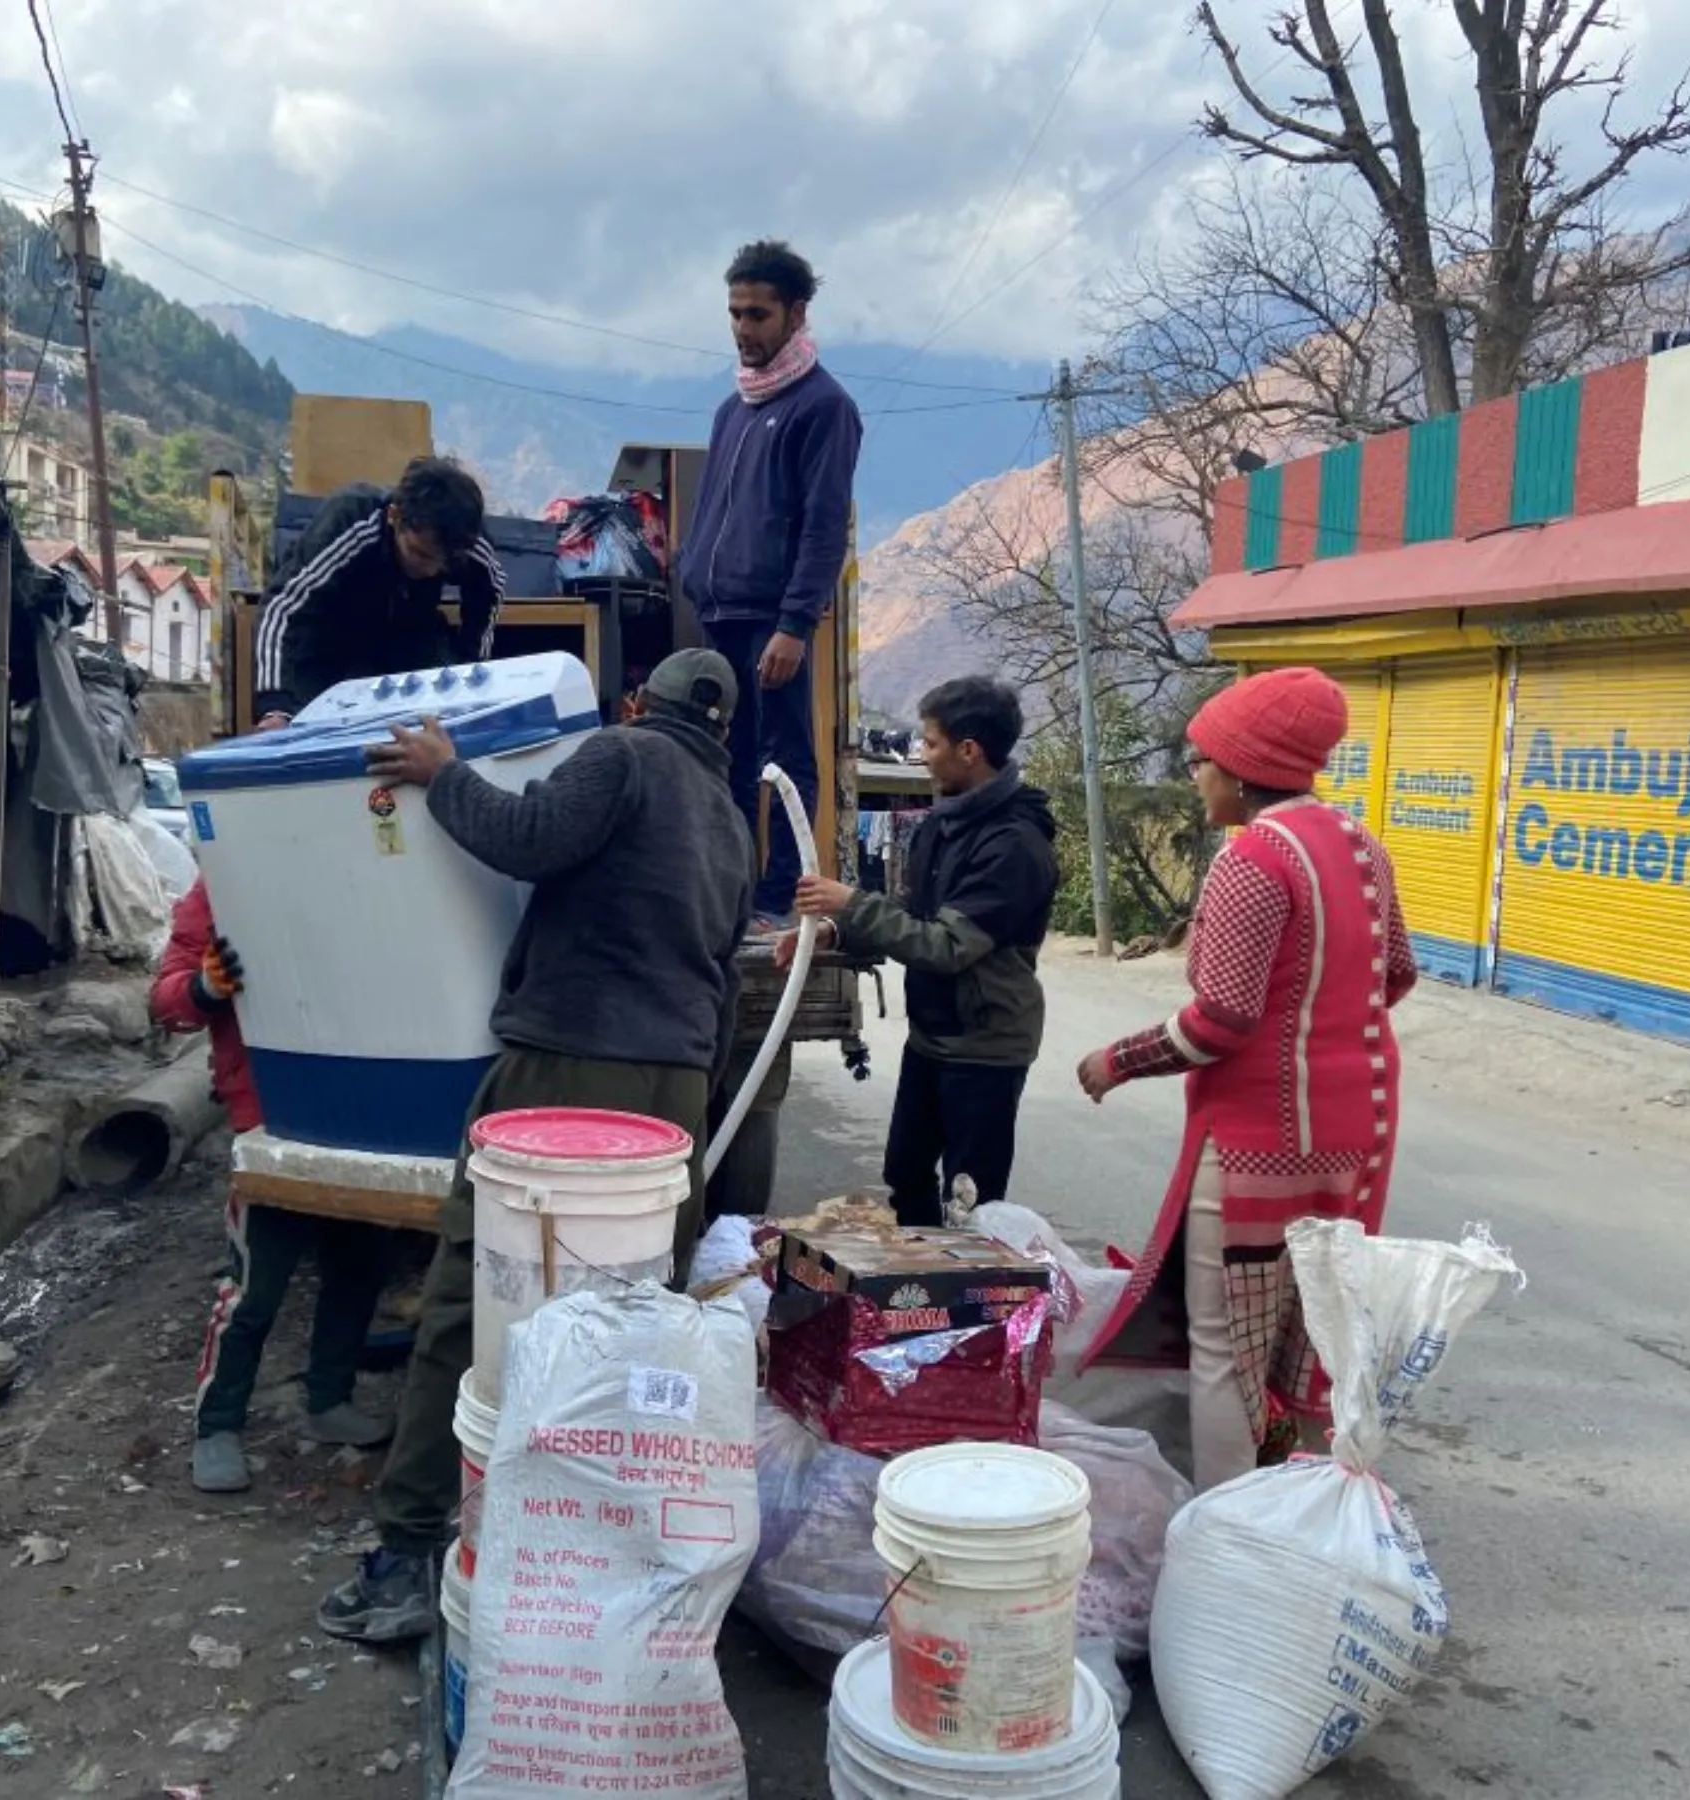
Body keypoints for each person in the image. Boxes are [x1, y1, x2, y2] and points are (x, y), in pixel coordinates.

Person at [313, 648, 755, 1643]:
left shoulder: (622, 753)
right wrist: (688, 1109)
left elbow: (530, 836)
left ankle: (412, 1550)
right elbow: (727, 978)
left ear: (643, 702)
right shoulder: (732, 820)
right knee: (632, 1322)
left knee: (479, 1298)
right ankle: (595, 1551)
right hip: (672, 1092)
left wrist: (443, 771)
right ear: (722, 732)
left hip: (570, 1069)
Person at [1072, 667, 1418, 1492]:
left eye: (1201, 761)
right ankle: (1301, 1496)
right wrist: (1320, 1019)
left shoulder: (1252, 860)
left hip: (1264, 1144)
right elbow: (1395, 974)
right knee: (1319, 1334)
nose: (1194, 777)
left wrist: (1114, 1062)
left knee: (1228, 1351)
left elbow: (1219, 1020)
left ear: (1238, 769)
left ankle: (1228, 1527)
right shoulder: (1362, 845)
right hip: (1358, 1131)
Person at [151, 878, 400, 1493]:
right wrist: (203, 989)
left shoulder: (360, 870)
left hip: (360, 1105)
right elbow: (165, 999)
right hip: (270, 1116)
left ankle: (328, 1398)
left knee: (359, 1265)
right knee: (254, 1287)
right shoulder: (228, 877)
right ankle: (218, 1425)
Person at [784, 677, 1057, 1227]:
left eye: (930, 743)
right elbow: (913, 912)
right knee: (906, 1175)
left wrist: (853, 902)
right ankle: (914, 1297)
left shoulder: (1015, 845)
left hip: (984, 1047)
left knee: (971, 1204)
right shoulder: (944, 824)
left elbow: (946, 945)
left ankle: (969, 1305)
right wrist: (836, 934)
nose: (922, 756)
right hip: (933, 1036)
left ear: (969, 750)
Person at [681, 239, 863, 929]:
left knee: (783, 761)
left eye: (757, 314)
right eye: (734, 313)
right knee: (721, 757)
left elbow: (824, 530)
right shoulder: (734, 409)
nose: (743, 329)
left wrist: (795, 622)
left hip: (774, 618)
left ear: (795, 313)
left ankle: (784, 898)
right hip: (720, 611)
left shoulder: (824, 407)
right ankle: (731, 894)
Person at [250, 456, 509, 728]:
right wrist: (274, 705)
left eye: (443, 563)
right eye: (420, 554)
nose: (433, 571)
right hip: (327, 639)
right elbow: (284, 606)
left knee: (450, 716)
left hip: (409, 634)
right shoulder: (352, 520)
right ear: (394, 517)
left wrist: (468, 669)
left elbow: (489, 592)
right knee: (305, 726)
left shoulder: (463, 540)